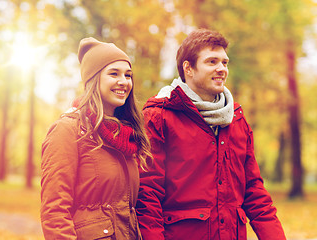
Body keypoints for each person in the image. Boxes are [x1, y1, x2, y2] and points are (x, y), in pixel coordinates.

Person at [136, 28, 286, 240]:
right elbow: (148, 194)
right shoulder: (159, 117)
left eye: (224, 63)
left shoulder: (236, 119)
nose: (221, 69)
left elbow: (254, 191)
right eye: (212, 62)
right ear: (188, 68)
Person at [40, 37, 152, 240]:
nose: (124, 81)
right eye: (113, 74)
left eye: (128, 75)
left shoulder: (127, 135)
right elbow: (54, 212)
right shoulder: (67, 130)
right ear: (94, 79)